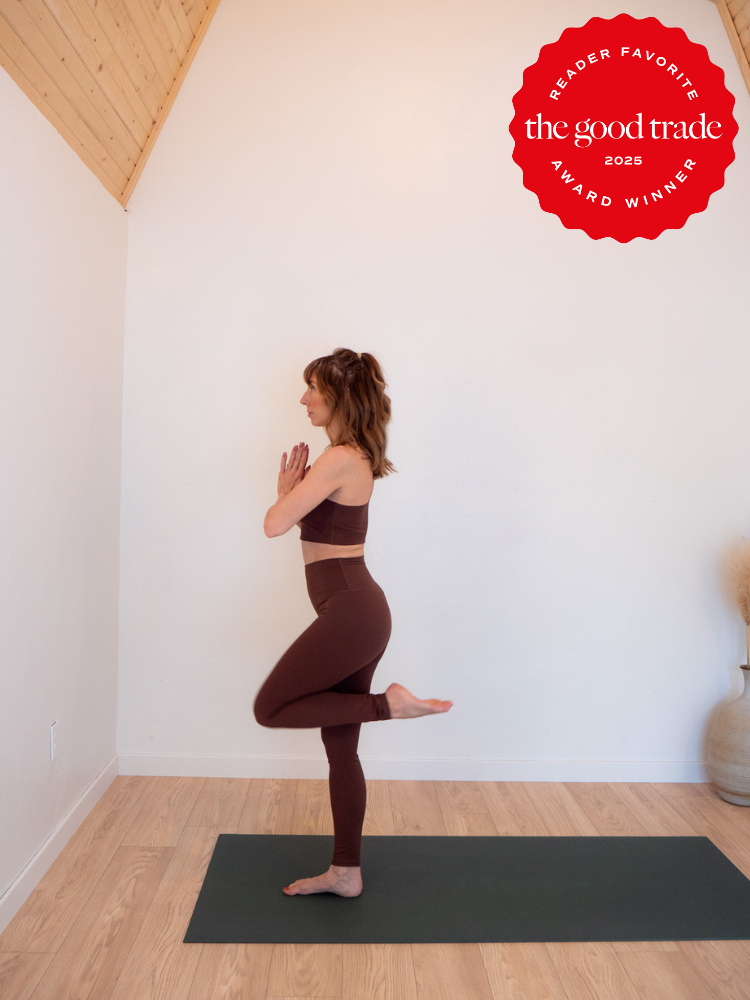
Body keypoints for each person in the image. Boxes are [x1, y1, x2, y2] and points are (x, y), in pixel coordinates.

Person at [254, 348, 452, 897]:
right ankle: (346, 871)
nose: (303, 398)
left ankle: (389, 706)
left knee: (268, 708)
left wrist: (283, 495)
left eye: (312, 387)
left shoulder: (340, 457)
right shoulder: (350, 455)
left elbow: (274, 525)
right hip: (357, 611)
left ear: (338, 395)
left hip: (351, 613)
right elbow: (294, 519)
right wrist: (288, 493)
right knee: (341, 748)